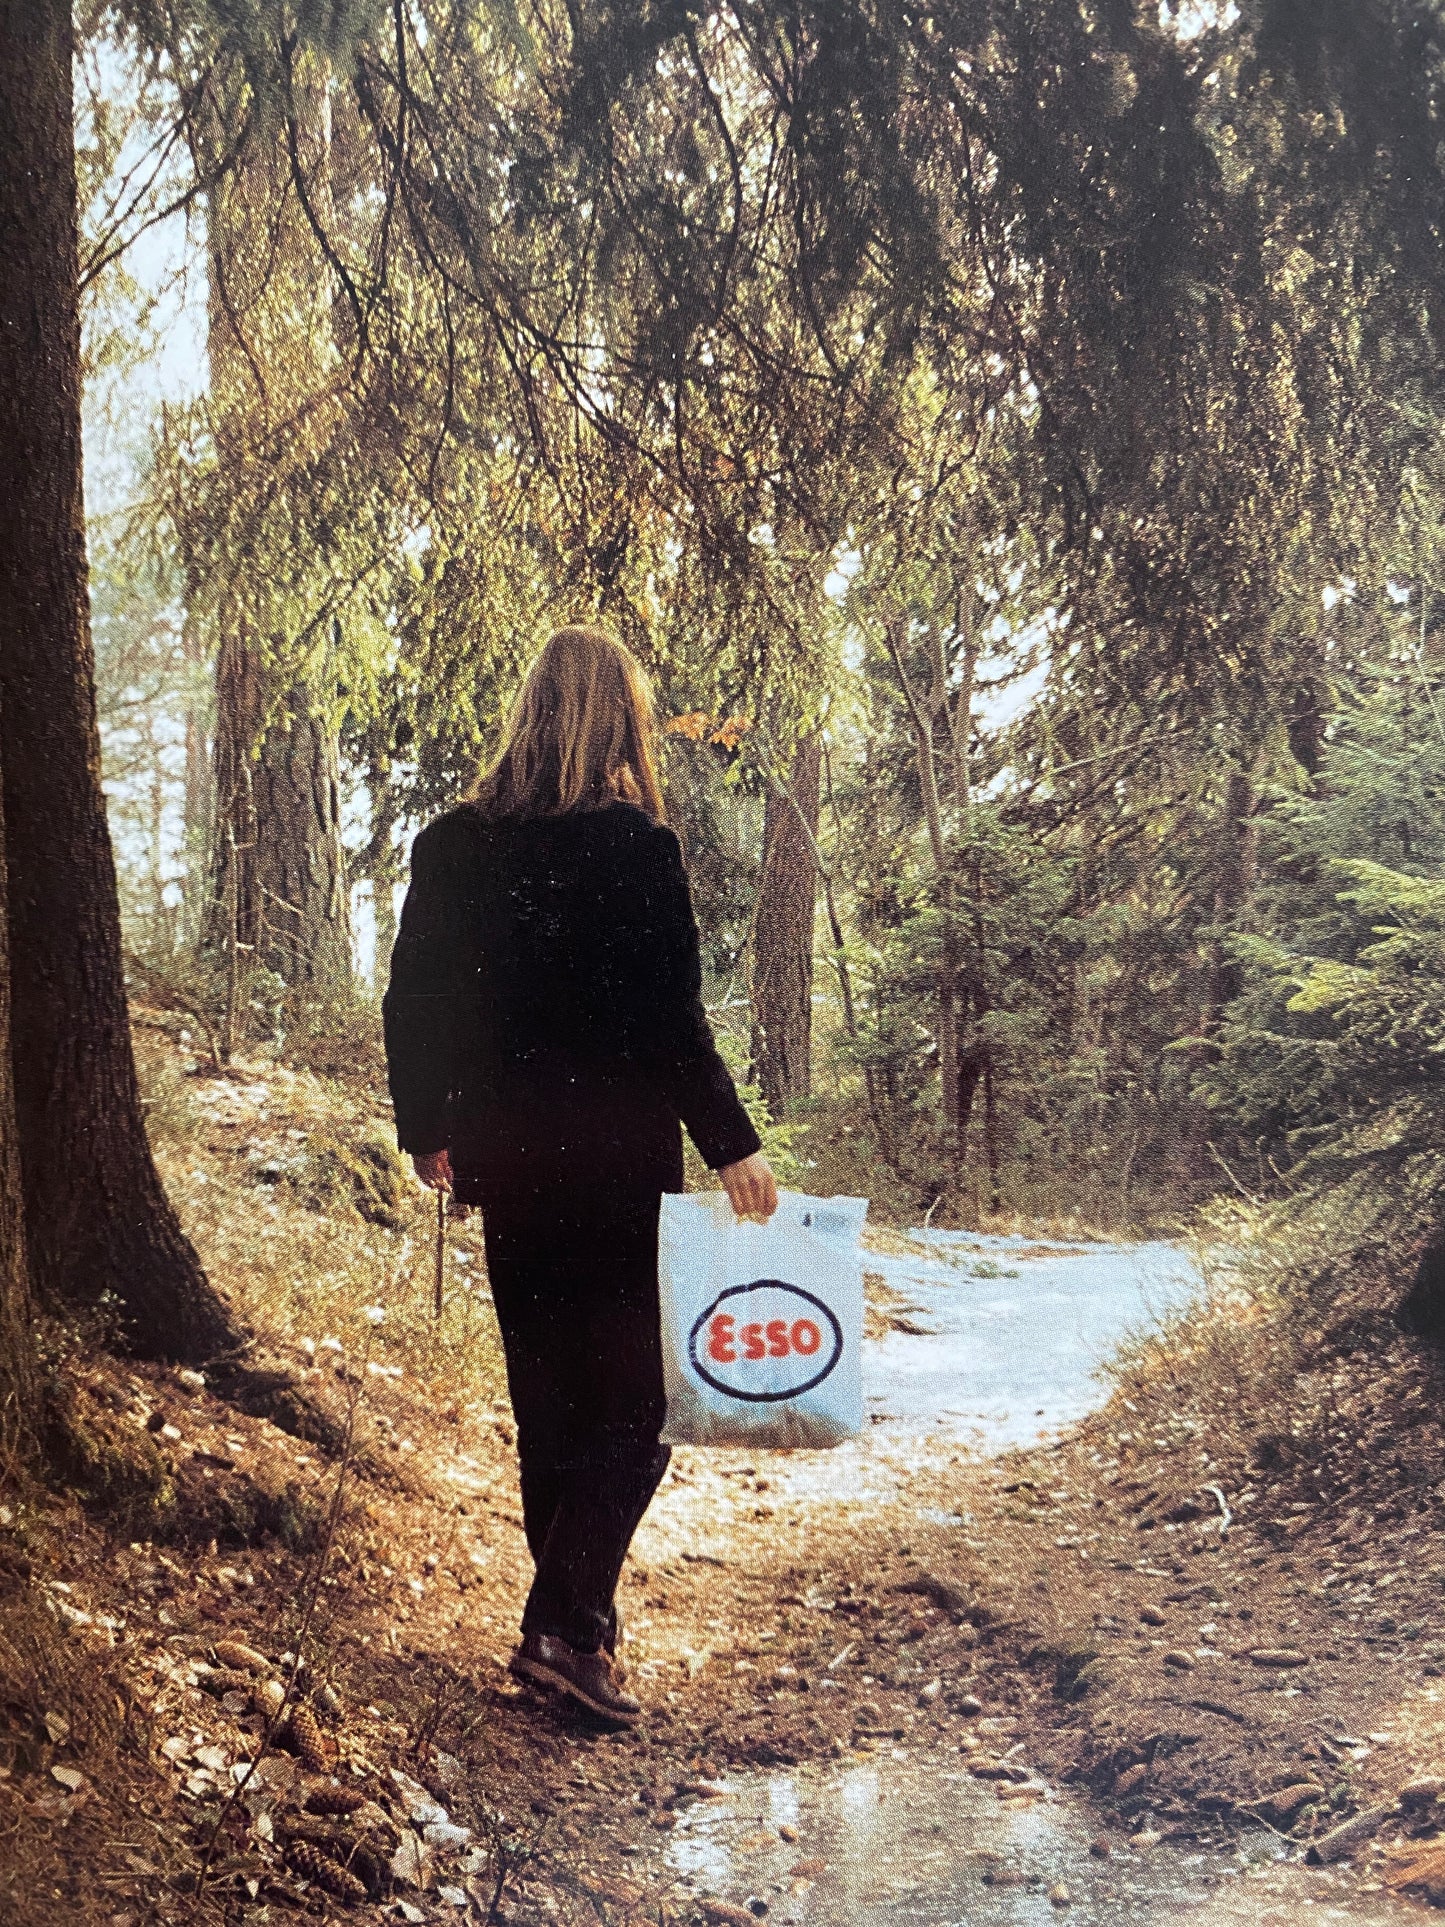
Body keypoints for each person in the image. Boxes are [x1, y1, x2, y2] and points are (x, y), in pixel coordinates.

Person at [382, 624, 778, 1725]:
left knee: (551, 1404)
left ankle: (575, 1631)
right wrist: (731, 1141)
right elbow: (670, 1020)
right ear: (618, 722)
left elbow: (413, 999)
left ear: (530, 712)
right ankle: (563, 1626)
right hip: (614, 1166)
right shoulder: (636, 849)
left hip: (507, 1159)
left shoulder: (454, 844)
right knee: (640, 1406)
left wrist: (426, 1127)